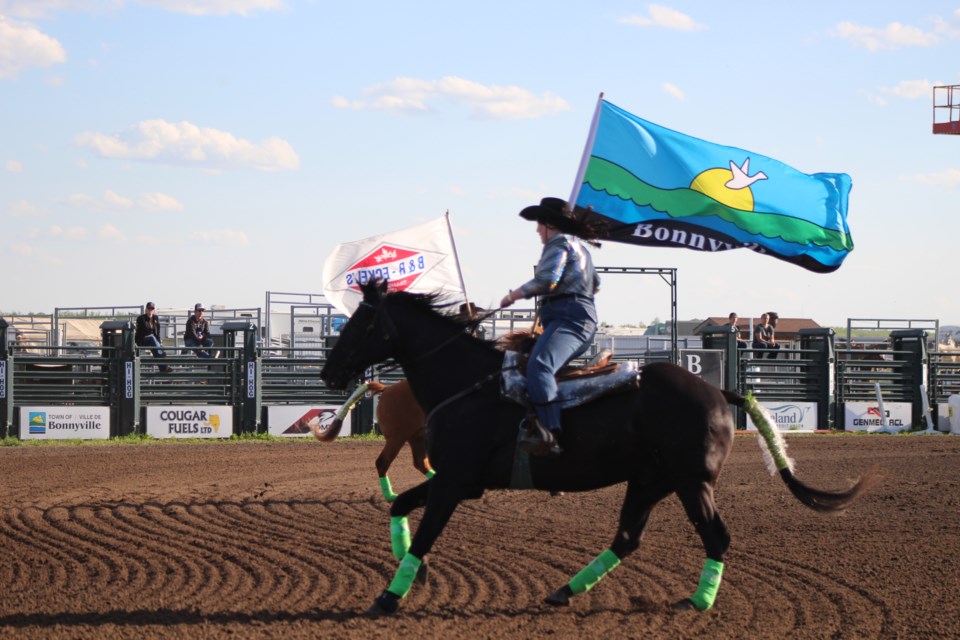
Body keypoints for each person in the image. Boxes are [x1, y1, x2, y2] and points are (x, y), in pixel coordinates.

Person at [500, 197, 603, 457]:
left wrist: (513, 296)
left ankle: (550, 434)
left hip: (569, 318)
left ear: (548, 224)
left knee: (540, 365)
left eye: (538, 224)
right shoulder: (580, 248)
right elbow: (597, 283)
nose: (536, 230)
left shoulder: (559, 243)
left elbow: (547, 280)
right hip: (573, 315)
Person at [135, 302, 170, 372]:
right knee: (152, 338)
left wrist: (159, 342)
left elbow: (158, 333)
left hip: (153, 341)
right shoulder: (141, 318)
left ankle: (163, 368)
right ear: (146, 309)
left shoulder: (156, 318)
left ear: (154, 310)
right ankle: (161, 351)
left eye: (152, 308)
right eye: (149, 308)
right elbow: (140, 333)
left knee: (157, 351)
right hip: (142, 340)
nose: (150, 310)